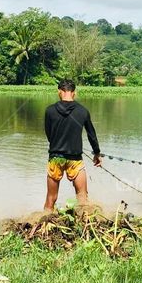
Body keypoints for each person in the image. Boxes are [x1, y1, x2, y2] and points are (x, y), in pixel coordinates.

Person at [43, 78, 101, 211]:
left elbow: (49, 134)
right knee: (82, 198)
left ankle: (44, 224)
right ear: (74, 93)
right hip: (75, 159)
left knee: (51, 198)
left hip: (55, 158)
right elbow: (91, 135)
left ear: (59, 92)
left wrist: (57, 144)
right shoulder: (83, 111)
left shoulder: (50, 111)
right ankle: (83, 224)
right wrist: (97, 153)